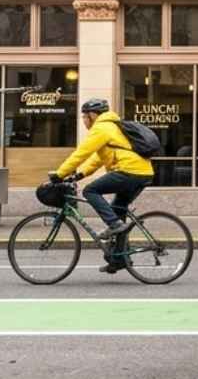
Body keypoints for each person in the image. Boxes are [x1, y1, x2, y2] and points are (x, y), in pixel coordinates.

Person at [52, 98, 154, 274]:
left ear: (93, 115)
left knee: (90, 190)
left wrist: (60, 174)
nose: (83, 121)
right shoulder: (112, 127)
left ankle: (114, 225)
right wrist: (80, 174)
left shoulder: (101, 127)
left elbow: (81, 153)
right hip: (143, 172)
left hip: (129, 171)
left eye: (85, 116)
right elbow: (98, 158)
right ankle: (119, 259)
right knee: (118, 210)